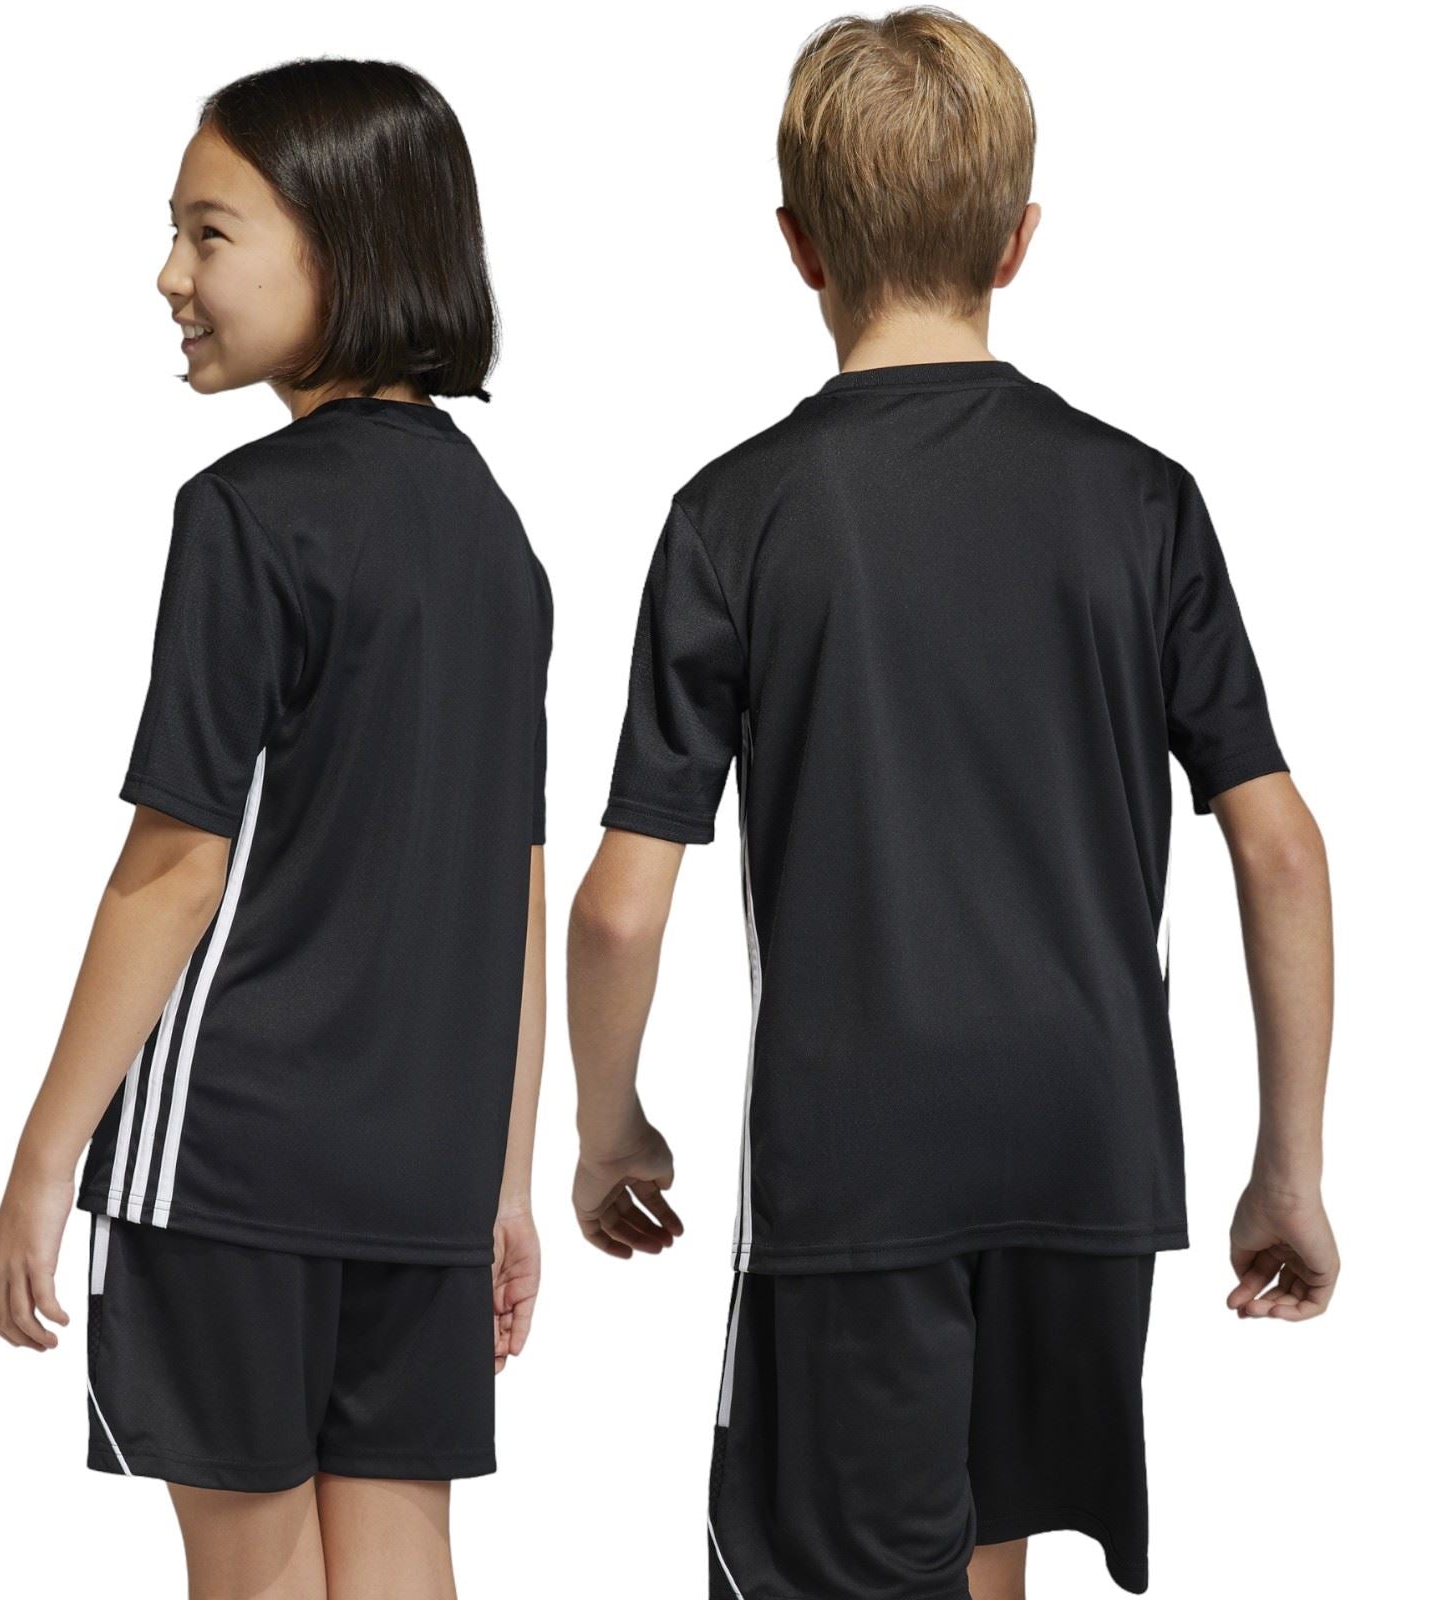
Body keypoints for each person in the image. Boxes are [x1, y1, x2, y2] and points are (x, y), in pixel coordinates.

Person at [566, 9, 1336, 1599]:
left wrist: (606, 1122)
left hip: (863, 1160)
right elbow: (1280, 849)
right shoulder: (1144, 501)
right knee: (983, 1552)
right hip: (1089, 1148)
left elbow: (621, 907)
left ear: (799, 246)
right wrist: (1289, 1168)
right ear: (1018, 239)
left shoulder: (733, 517)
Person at [0, 58, 552, 1600]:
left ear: (341, 247)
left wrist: (45, 1159)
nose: (170, 275)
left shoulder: (246, 514)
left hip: (234, 1165)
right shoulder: (498, 540)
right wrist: (501, 1182)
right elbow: (514, 888)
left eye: (208, 232)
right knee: (401, 1567)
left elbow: (176, 871)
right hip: (423, 1177)